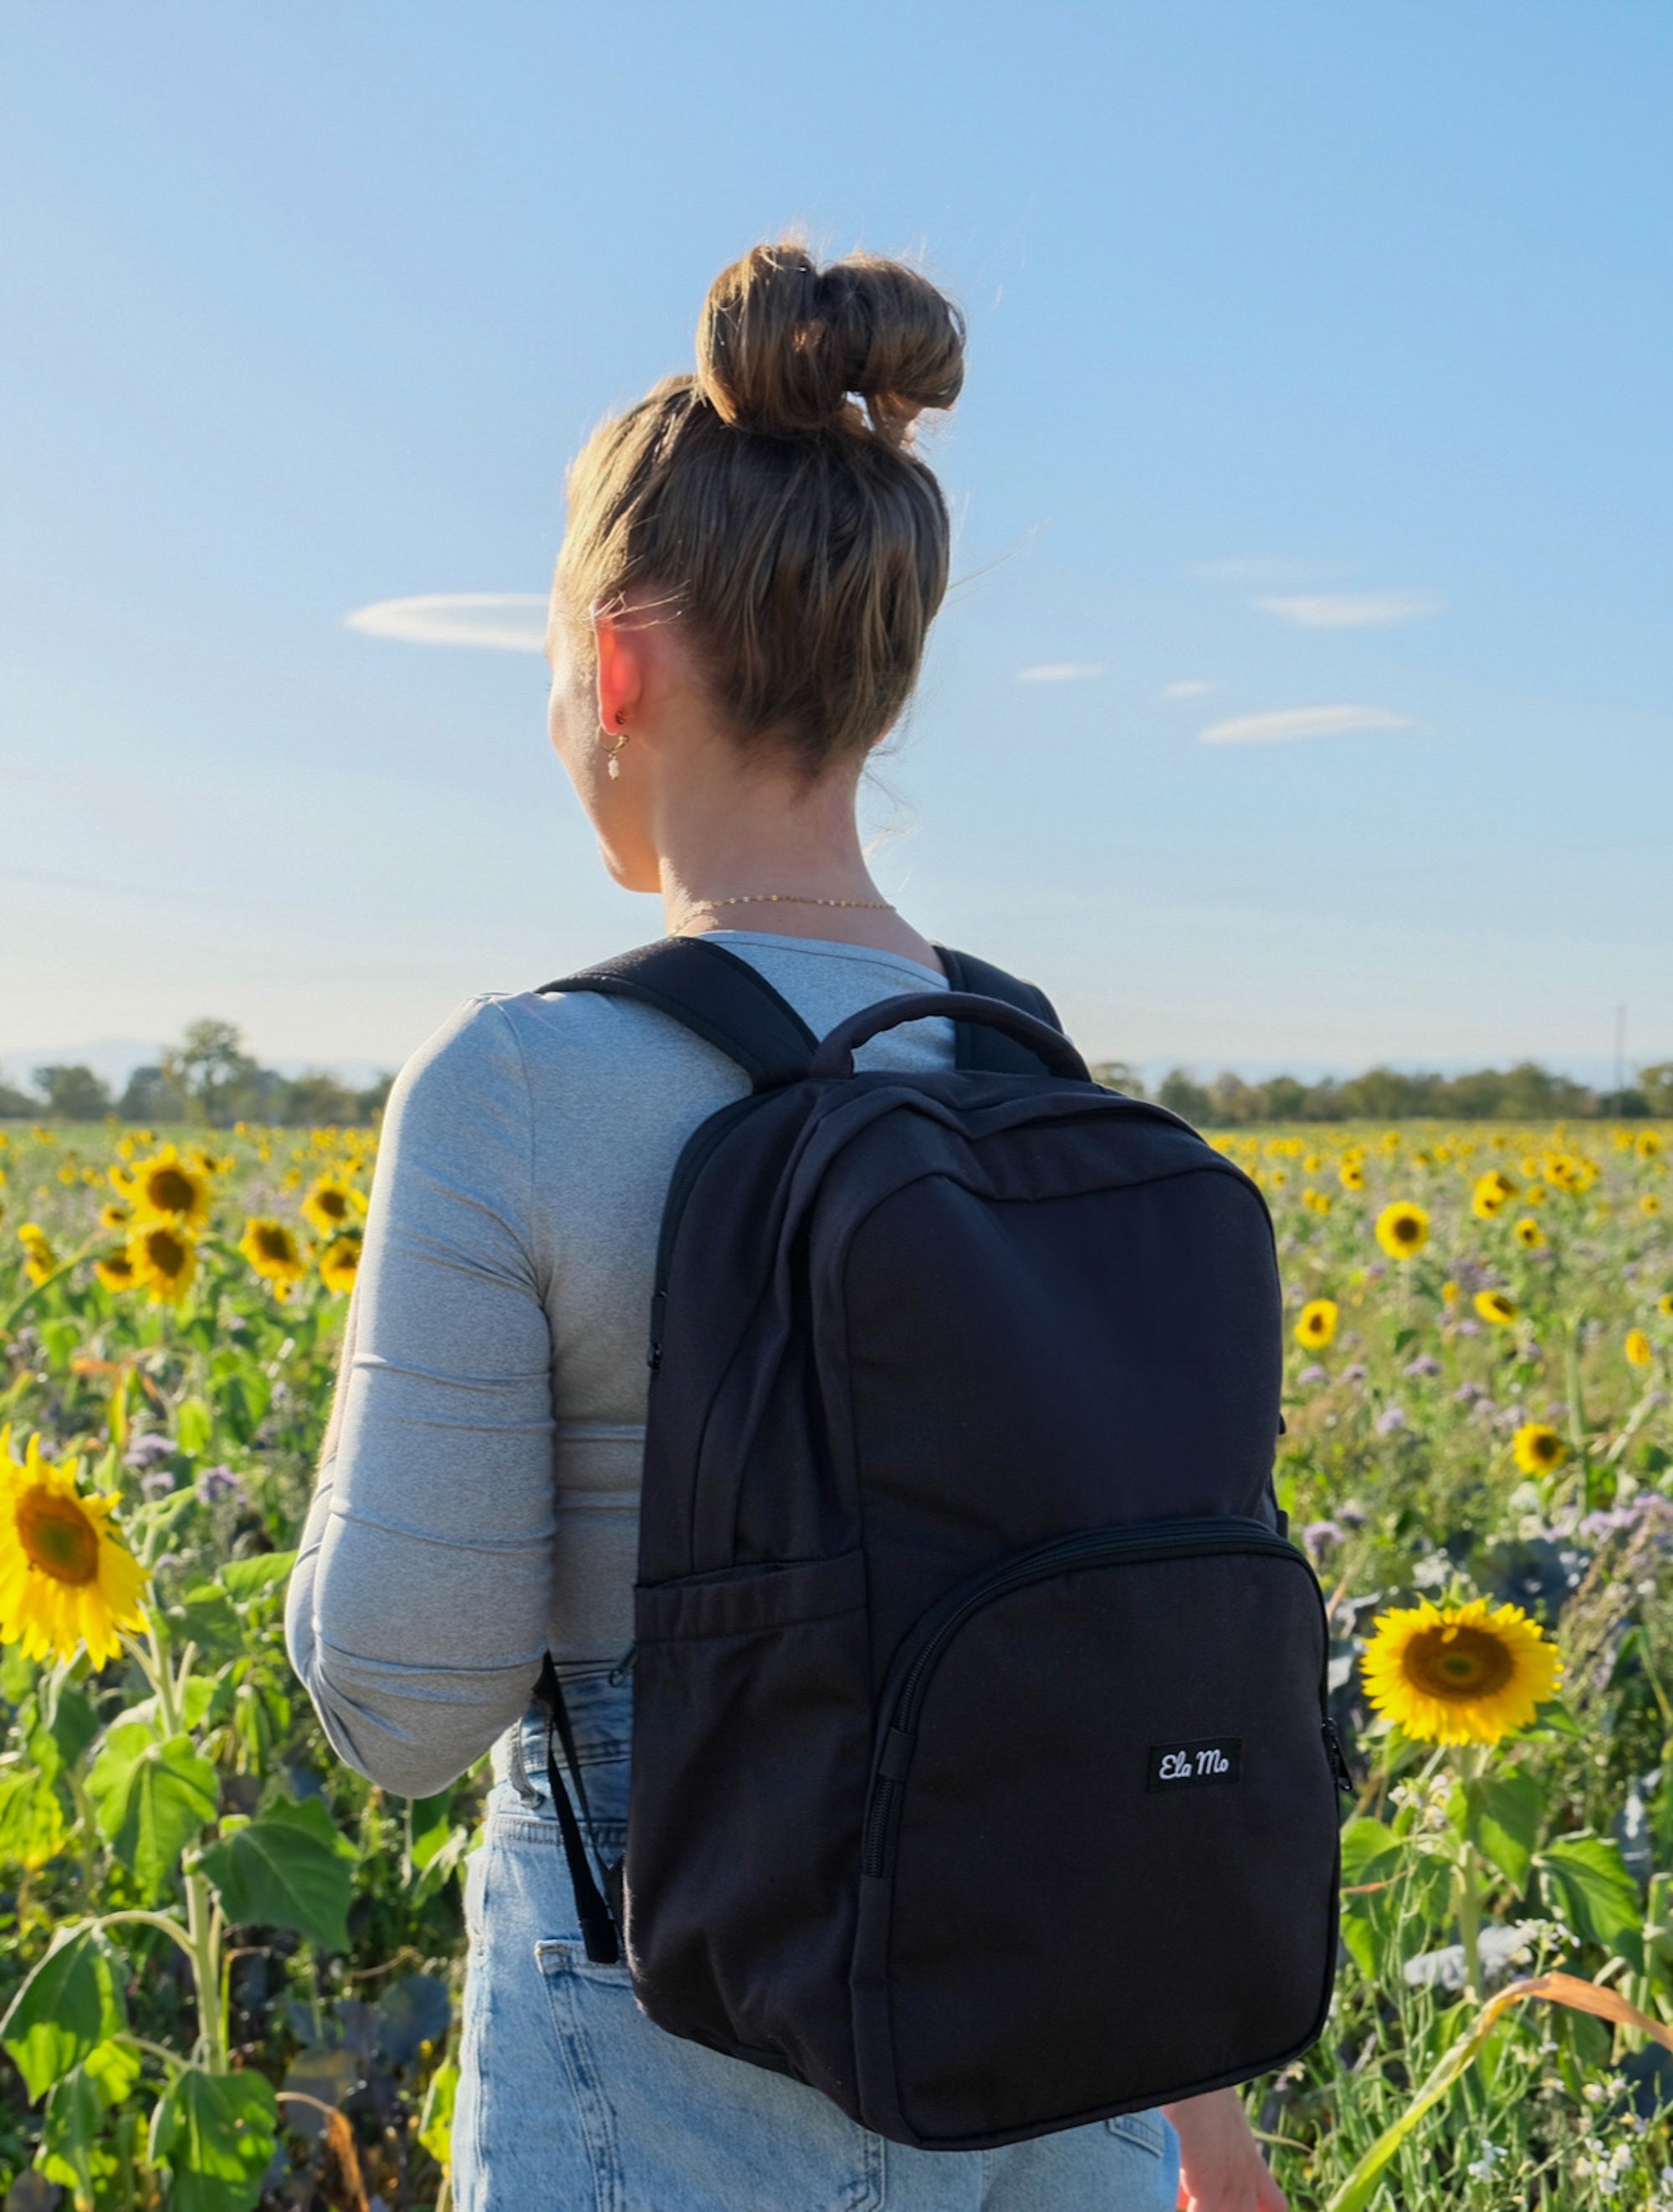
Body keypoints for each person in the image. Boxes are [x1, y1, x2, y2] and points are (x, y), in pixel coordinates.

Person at [287, 238, 1287, 2212]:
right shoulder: (1030, 1075)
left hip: (687, 2029)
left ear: (614, 668)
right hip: (1072, 2032)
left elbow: (401, 1702)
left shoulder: (517, 1088)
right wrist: (1213, 2122)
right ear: (878, 666)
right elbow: (1124, 1615)